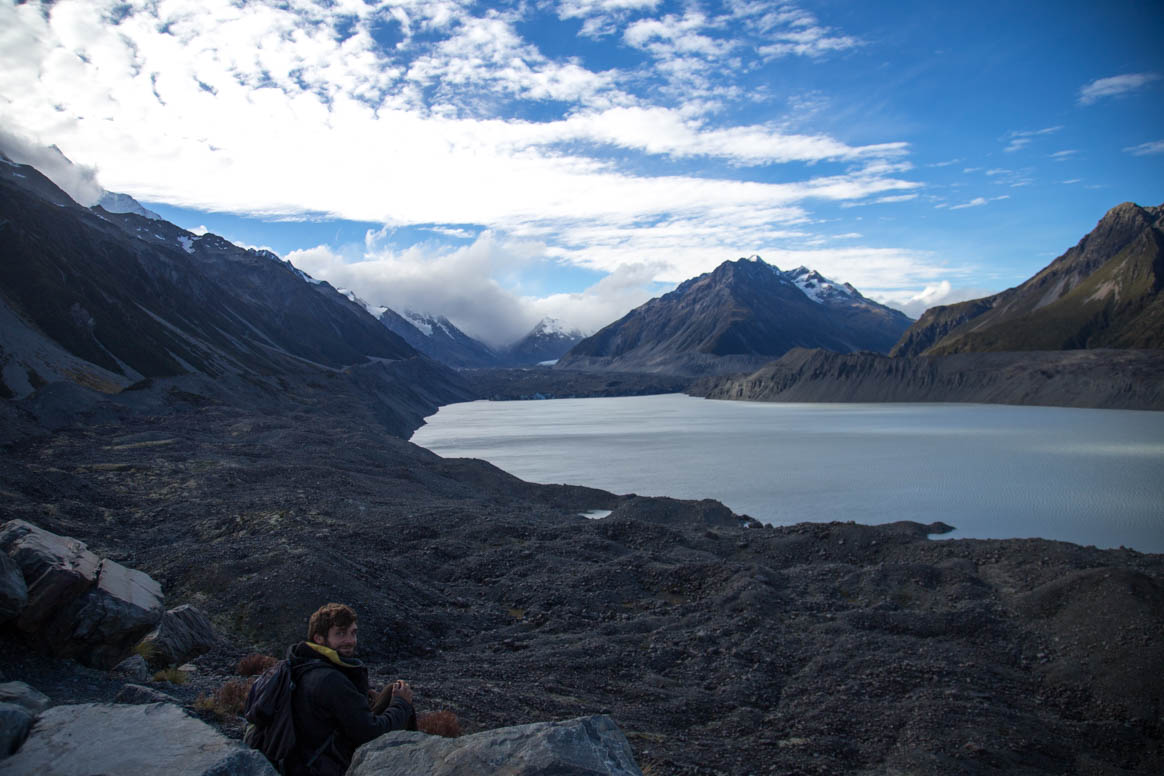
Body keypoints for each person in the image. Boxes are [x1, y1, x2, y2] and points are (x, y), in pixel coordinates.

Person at [285, 603, 416, 776]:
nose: (350, 641)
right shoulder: (329, 680)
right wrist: (401, 704)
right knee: (400, 699)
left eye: (353, 633)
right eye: (340, 634)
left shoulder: (300, 665)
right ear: (319, 639)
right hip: (325, 767)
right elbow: (371, 734)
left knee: (391, 690)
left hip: (301, 760)